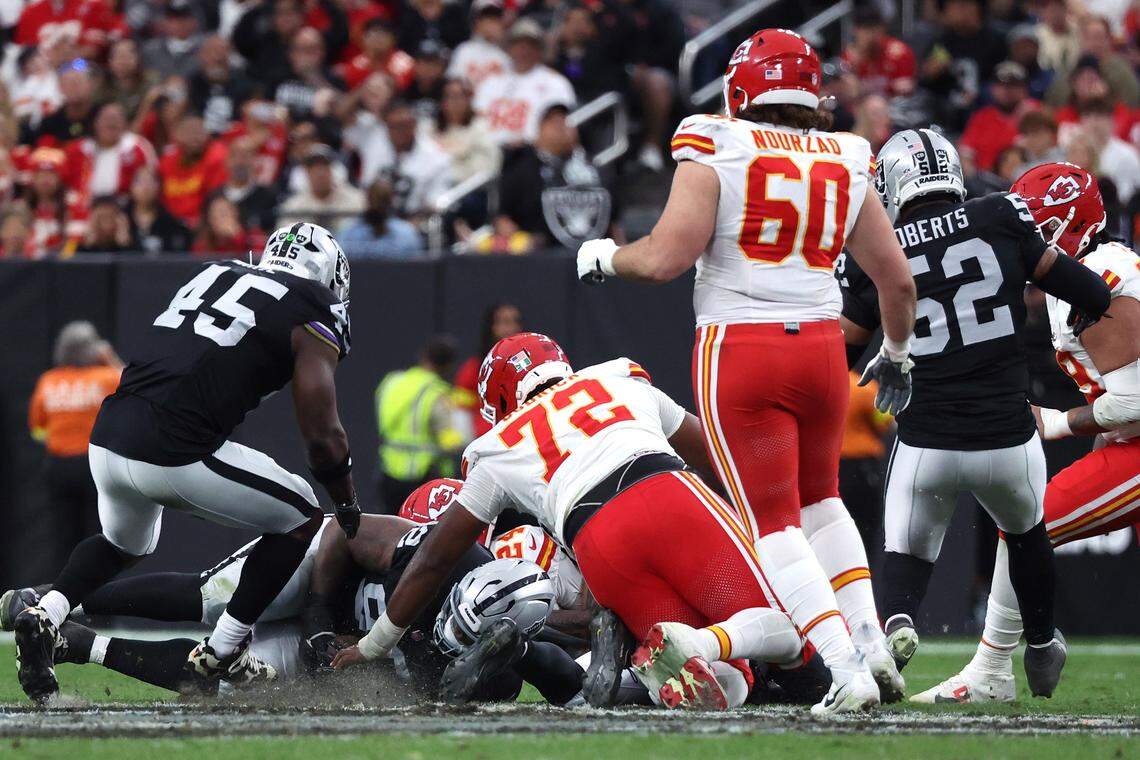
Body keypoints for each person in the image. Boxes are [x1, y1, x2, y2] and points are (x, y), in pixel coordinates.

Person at [576, 29, 916, 713]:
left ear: (740, 88)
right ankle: (870, 643)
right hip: (822, 348)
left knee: (775, 524)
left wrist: (605, 256)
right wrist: (900, 353)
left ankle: (845, 667)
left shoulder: (716, 140)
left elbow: (666, 257)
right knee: (823, 503)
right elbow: (898, 282)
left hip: (742, 348)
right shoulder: (848, 153)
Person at [331, 333, 807, 713]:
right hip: (665, 493)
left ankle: (673, 657)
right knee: (789, 628)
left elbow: (434, 558)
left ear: (501, 396)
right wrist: (787, 522)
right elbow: (721, 458)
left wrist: (374, 645)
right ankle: (726, 647)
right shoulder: (619, 378)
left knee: (723, 678)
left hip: (597, 541)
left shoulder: (494, 449)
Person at [12, 222, 358, 703]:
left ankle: (45, 613)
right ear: (329, 276)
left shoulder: (216, 271)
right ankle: (226, 648)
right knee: (302, 515)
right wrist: (347, 502)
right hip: (174, 445)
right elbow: (322, 435)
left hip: (109, 435)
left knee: (124, 544)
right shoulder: (313, 304)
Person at [841, 132, 1112, 699]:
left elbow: (840, 351)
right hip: (1008, 435)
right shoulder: (1001, 215)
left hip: (927, 439)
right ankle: (1041, 642)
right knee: (1027, 533)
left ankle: (898, 623)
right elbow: (1091, 292)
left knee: (905, 549)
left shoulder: (878, 246)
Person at [917, 163, 1140, 704]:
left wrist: (1056, 422)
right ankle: (993, 668)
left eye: (1034, 227)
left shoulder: (1102, 276)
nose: (1021, 237)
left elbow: (1134, 403)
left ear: (1069, 226)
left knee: (1029, 519)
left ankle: (992, 669)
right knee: (1023, 517)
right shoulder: (1091, 271)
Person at [27, 322, 122, 577]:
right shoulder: (107, 377)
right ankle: (98, 594)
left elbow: (37, 428)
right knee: (99, 534)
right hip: (94, 467)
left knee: (62, 537)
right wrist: (110, 357)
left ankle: (61, 593)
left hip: (58, 468)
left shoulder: (48, 381)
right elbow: (136, 388)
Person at [497, 104, 616, 250]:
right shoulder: (521, 167)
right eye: (553, 122)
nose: (561, 127)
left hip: (593, 254)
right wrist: (520, 242)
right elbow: (503, 218)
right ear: (539, 130)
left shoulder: (593, 168)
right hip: (541, 255)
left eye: (565, 122)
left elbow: (612, 218)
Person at [374, 336, 465, 513]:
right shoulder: (436, 393)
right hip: (423, 477)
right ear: (448, 366)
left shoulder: (392, 381)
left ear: (423, 356)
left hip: (388, 470)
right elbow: (449, 441)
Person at [474, 19, 576, 146]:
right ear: (509, 48)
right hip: (488, 150)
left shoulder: (555, 82)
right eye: (518, 43)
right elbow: (477, 118)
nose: (524, 49)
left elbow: (560, 127)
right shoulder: (491, 81)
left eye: (530, 44)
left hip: (532, 150)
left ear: (539, 49)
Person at [453, 302, 523, 439]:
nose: (512, 328)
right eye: (505, 322)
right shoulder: (473, 368)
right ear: (492, 327)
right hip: (484, 441)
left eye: (516, 322)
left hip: (520, 441)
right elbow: (461, 410)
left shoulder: (530, 366)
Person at [64, 102, 157, 202]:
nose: (111, 123)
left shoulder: (137, 147)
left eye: (116, 119)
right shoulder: (78, 149)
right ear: (96, 123)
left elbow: (151, 177)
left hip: (124, 205)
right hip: (83, 205)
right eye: (106, 119)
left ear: (125, 124)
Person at [157, 113, 229, 228]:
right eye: (189, 131)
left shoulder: (217, 156)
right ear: (176, 135)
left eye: (199, 131)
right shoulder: (167, 162)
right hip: (169, 226)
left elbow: (216, 199)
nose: (195, 137)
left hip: (204, 226)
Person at [429, 78, 502, 184]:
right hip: (433, 185)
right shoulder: (429, 129)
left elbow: (487, 168)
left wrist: (451, 172)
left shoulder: (482, 128)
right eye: (449, 96)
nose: (454, 102)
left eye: (459, 96)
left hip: (467, 187)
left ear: (469, 100)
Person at [278, 145, 365, 232]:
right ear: (307, 172)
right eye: (313, 167)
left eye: (325, 166)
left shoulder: (357, 199)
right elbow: (285, 236)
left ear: (333, 169)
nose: (320, 172)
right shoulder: (293, 206)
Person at [338, 179, 425, 259]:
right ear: (392, 201)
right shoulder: (408, 233)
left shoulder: (348, 233)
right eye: (375, 198)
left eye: (381, 199)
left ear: (367, 200)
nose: (378, 203)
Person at [125, 166, 192, 254]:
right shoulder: (122, 219)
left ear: (160, 187)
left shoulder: (172, 224)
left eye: (150, 182)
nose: (145, 188)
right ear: (131, 187)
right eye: (140, 181)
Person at [447, 0, 510, 89]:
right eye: (486, 18)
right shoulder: (463, 51)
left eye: (495, 19)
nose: (491, 23)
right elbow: (453, 86)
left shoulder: (504, 58)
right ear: (476, 22)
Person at [192, 194, 262, 257]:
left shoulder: (253, 236)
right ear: (210, 219)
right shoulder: (202, 242)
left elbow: (255, 259)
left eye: (225, 213)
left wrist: (238, 237)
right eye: (218, 214)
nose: (224, 219)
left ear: (236, 213)